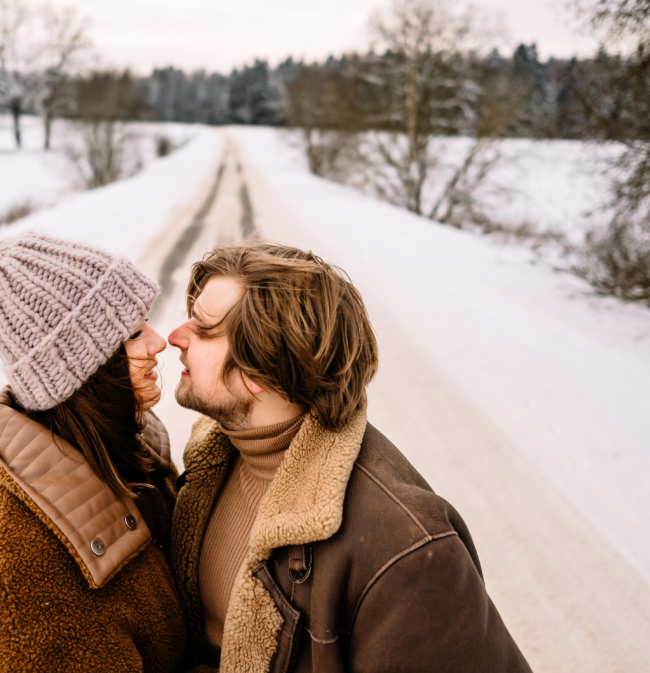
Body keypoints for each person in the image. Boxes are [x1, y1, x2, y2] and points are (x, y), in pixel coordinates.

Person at [167, 241, 531, 672]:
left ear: (260, 368)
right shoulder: (216, 460)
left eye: (205, 330)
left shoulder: (407, 549)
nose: (174, 336)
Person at [0, 232, 185, 672]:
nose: (157, 342)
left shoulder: (124, 452)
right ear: (82, 372)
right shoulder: (11, 594)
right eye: (133, 334)